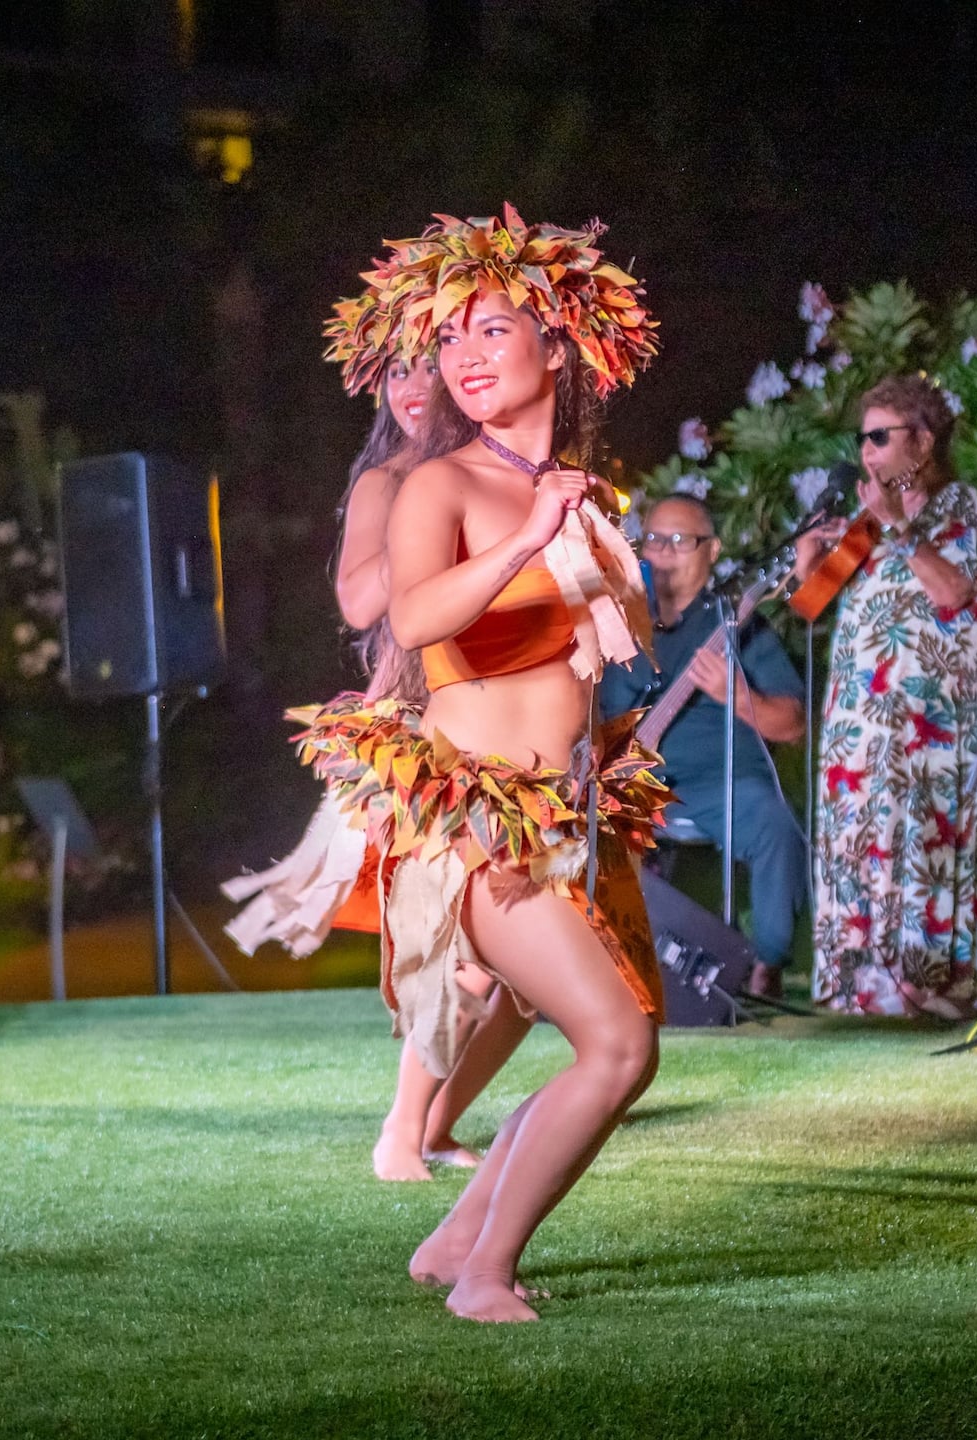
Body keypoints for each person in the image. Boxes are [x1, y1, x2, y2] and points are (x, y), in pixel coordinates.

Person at [299, 203, 665, 1322]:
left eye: (489, 333)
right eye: (448, 339)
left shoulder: (582, 496)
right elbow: (411, 619)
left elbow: (608, 650)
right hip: (476, 827)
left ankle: (456, 1242)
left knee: (603, 1040)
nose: (460, 358)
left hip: (565, 818)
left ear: (556, 343)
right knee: (618, 1046)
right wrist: (527, 540)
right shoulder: (438, 485)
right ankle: (485, 1274)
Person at [223, 343, 532, 1181]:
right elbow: (360, 600)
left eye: (430, 370)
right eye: (397, 373)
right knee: (460, 947)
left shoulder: (500, 468)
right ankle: (400, 1133)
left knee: (524, 973)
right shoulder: (389, 483)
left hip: (508, 723)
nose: (412, 390)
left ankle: (433, 1124)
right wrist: (430, 511)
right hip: (425, 732)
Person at [797, 374, 977, 1018]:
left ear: (925, 440)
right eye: (863, 439)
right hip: (859, 727)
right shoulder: (865, 525)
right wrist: (810, 562)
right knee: (859, 839)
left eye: (882, 437)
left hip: (927, 723)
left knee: (919, 840)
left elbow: (956, 594)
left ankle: (927, 986)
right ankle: (864, 988)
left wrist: (898, 530)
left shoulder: (962, 507)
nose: (868, 453)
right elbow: (811, 605)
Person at [599, 494, 807, 999]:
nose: (664, 552)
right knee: (569, 821)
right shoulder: (620, 622)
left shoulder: (738, 623)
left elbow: (793, 724)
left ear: (711, 551)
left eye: (681, 541)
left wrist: (737, 696)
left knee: (775, 824)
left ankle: (765, 964)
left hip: (720, 785)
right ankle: (590, 969)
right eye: (654, 540)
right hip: (632, 786)